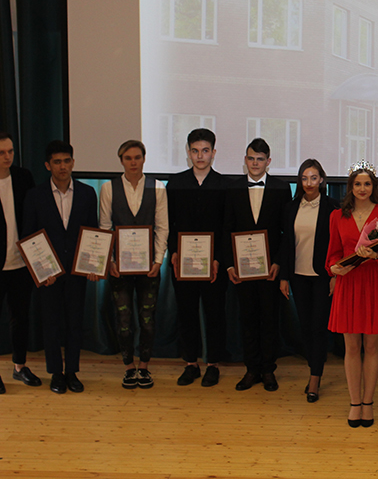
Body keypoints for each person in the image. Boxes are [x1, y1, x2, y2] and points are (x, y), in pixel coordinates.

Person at [21, 140, 98, 394]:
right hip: (49, 273)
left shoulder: (87, 193)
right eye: (57, 162)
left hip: (77, 270)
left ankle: (72, 372)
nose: (62, 166)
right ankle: (56, 373)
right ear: (47, 165)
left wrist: (93, 265)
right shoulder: (35, 196)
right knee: (51, 323)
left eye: (66, 161)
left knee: (75, 322)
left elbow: (93, 233)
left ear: (73, 163)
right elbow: (29, 235)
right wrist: (41, 271)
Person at [326, 161, 378, 428]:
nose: (362, 188)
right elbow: (333, 254)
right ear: (350, 187)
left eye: (367, 183)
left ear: (373, 187)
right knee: (352, 347)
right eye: (357, 184)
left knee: (372, 346)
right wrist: (334, 268)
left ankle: (368, 402)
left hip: (375, 282)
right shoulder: (337, 216)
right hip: (349, 283)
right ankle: (354, 402)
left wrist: (376, 255)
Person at [99, 140, 168, 389]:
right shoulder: (108, 188)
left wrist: (158, 260)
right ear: (121, 161)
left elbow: (162, 227)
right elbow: (105, 226)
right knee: (124, 320)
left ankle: (145, 367)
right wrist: (110, 261)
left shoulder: (158, 187)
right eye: (128, 158)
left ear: (144, 159)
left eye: (137, 157)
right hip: (120, 268)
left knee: (148, 319)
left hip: (149, 267)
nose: (133, 162)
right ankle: (129, 367)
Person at [223, 138, 290, 392]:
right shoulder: (233, 188)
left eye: (260, 159)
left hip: (270, 270)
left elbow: (286, 232)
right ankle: (251, 369)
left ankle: (268, 370)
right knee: (248, 319)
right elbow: (227, 228)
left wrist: (279, 262)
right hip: (242, 271)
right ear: (245, 160)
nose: (255, 163)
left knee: (270, 320)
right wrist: (230, 266)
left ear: (268, 161)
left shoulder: (281, 188)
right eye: (251, 158)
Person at [167, 128, 228, 387]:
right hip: (183, 263)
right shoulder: (176, 184)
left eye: (205, 150)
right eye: (195, 151)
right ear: (188, 152)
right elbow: (168, 223)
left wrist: (218, 258)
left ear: (213, 152)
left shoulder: (224, 185)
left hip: (214, 263)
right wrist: (173, 251)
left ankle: (213, 364)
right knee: (187, 312)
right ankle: (191, 363)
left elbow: (226, 226)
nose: (200, 156)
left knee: (214, 313)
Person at [279, 159, 339, 403]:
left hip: (323, 276)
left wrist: (335, 275)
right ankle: (314, 368)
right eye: (304, 178)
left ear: (322, 180)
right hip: (298, 275)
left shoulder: (333, 207)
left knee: (318, 327)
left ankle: (315, 377)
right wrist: (284, 276)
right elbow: (286, 244)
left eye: (314, 178)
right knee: (305, 326)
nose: (309, 183)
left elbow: (338, 245)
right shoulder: (291, 207)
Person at [0, 131, 39, 393]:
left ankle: (19, 366)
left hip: (22, 263)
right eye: (2, 153)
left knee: (21, 318)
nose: (7, 157)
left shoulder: (24, 177)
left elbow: (34, 214)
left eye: (11, 151)